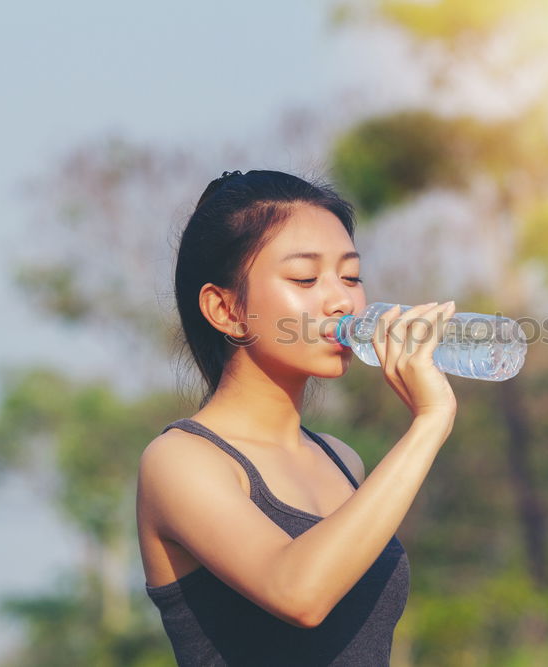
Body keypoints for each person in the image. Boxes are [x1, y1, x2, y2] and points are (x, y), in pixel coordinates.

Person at [136, 169, 458, 666]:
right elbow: (300, 594)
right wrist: (429, 422)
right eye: (305, 278)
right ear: (225, 310)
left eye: (351, 276)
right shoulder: (180, 462)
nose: (341, 300)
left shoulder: (341, 459)